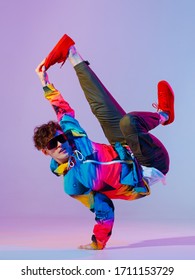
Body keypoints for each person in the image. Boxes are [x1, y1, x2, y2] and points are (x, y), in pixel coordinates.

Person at [34, 34, 175, 250]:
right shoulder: (73, 182)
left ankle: (71, 53)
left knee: (99, 107)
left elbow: (61, 109)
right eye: (53, 145)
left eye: (61, 138)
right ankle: (164, 114)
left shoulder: (74, 139)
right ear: (46, 152)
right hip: (148, 166)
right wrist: (98, 242)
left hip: (123, 147)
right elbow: (102, 206)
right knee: (129, 122)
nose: (61, 144)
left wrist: (44, 81)